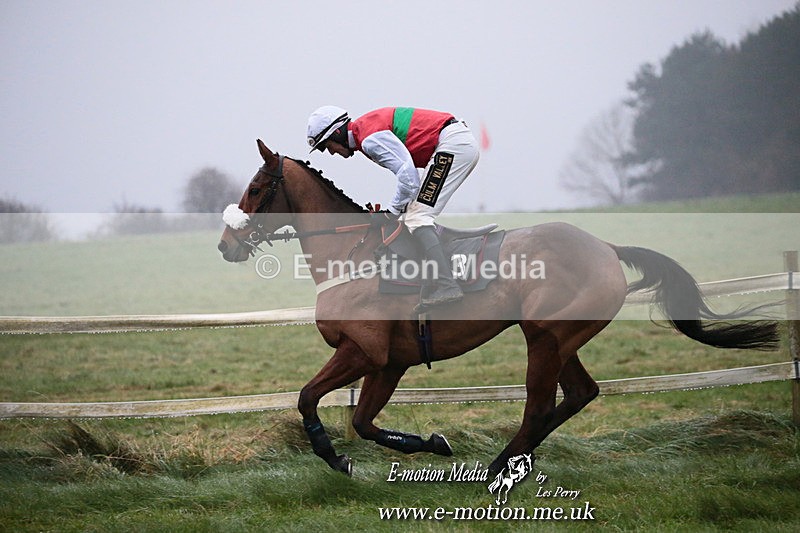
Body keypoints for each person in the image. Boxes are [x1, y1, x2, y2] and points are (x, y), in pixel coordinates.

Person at [307, 105, 480, 310]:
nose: (331, 153)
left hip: (453, 145)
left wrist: (391, 212)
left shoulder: (369, 138)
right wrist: (396, 211)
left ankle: (446, 284)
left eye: (326, 146)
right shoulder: (366, 132)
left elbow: (408, 176)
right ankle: (433, 277)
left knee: (417, 217)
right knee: (413, 213)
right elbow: (409, 179)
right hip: (453, 142)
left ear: (337, 132)